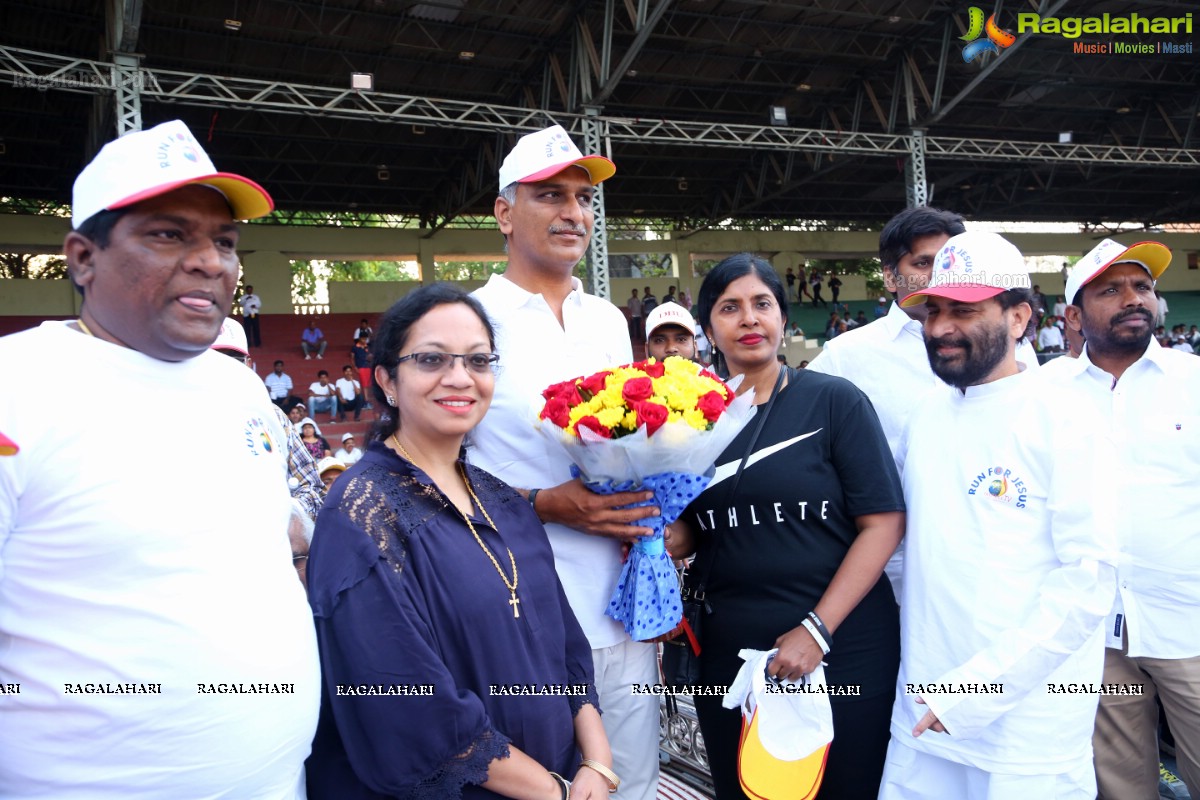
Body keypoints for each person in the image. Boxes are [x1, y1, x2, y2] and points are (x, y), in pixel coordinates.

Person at [0, 119, 317, 796]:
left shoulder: (238, 385)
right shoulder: (15, 387)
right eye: (169, 234)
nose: (211, 261)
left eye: (225, 242)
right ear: (83, 257)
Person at [306, 284, 616, 800]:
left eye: (478, 360)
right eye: (431, 359)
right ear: (386, 379)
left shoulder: (505, 502)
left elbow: (566, 648)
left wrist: (598, 764)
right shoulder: (361, 515)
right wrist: (556, 793)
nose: (459, 378)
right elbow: (408, 703)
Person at [878, 232, 1114, 799]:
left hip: (1026, 736)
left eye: (963, 310)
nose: (939, 328)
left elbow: (1087, 584)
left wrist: (977, 690)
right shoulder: (927, 415)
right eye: (933, 311)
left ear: (1018, 319)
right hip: (921, 718)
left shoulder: (1066, 416)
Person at [667, 253, 905, 800]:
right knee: (746, 790)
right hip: (730, 650)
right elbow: (694, 528)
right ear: (708, 330)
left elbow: (884, 522)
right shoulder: (689, 419)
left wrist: (817, 630)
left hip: (842, 644)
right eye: (730, 308)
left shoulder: (832, 401)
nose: (749, 319)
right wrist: (655, 537)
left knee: (845, 787)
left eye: (762, 305)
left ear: (782, 318)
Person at [469, 124, 661, 800]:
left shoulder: (607, 320)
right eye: (550, 195)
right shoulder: (470, 318)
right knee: (546, 783)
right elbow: (429, 472)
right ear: (504, 212)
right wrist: (540, 504)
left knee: (631, 779)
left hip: (621, 606)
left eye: (583, 198)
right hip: (521, 615)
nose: (574, 213)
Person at [807, 207, 1036, 601]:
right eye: (924, 262)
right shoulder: (846, 356)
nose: (942, 270)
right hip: (889, 572)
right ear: (890, 275)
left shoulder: (1012, 349)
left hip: (994, 565)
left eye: (951, 258)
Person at [1051, 239, 1200, 800]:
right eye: (1110, 290)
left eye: (1142, 287)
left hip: (1189, 621)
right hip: (1092, 633)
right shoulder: (1044, 394)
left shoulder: (1194, 382)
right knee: (1119, 787)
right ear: (1072, 315)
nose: (1133, 299)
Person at [214, 317, 325, 521]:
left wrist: (287, 513)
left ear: (248, 364)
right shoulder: (182, 415)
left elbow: (312, 488)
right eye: (211, 358)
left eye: (232, 359)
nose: (222, 367)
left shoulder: (272, 415)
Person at [352, 335, 372, 401]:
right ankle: (366, 400)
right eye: (363, 339)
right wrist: (355, 367)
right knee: (364, 384)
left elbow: (371, 356)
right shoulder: (355, 347)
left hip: (368, 367)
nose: (364, 340)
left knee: (368, 384)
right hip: (360, 367)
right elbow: (352, 358)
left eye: (365, 339)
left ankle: (367, 399)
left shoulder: (368, 347)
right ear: (360, 339)